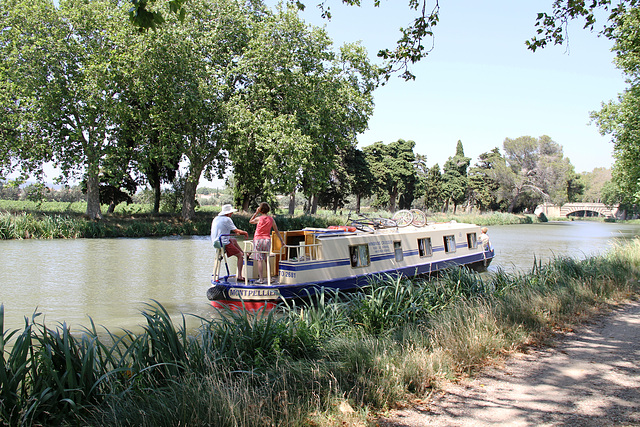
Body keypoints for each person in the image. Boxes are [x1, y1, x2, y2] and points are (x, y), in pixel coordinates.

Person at [211, 204, 249, 282]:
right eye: (231, 212)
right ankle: (240, 276)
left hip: (216, 241)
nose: (232, 214)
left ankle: (245, 254)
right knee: (240, 256)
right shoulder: (227, 219)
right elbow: (237, 231)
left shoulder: (216, 218)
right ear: (227, 213)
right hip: (223, 242)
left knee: (234, 240)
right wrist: (245, 233)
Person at [249, 202, 284, 284]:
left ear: (260, 210)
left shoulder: (259, 218)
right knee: (266, 259)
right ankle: (269, 278)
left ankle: (261, 279)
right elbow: (276, 231)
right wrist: (281, 241)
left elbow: (250, 221)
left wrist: (256, 213)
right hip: (267, 240)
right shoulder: (271, 219)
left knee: (259, 260)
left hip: (258, 240)